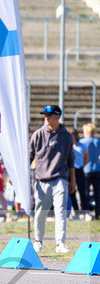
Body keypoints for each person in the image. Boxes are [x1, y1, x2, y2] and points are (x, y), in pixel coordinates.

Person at [29, 104, 75, 253]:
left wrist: (73, 180)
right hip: (41, 180)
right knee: (40, 213)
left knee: (61, 211)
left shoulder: (67, 136)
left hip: (60, 179)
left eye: (49, 115)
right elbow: (29, 156)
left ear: (58, 116)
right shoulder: (38, 134)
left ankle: (60, 243)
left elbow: (71, 160)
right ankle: (38, 241)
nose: (46, 118)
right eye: (45, 115)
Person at [79, 123, 99, 221]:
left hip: (86, 170)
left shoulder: (82, 142)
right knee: (97, 193)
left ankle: (86, 212)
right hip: (97, 169)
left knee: (85, 193)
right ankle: (98, 213)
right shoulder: (98, 141)